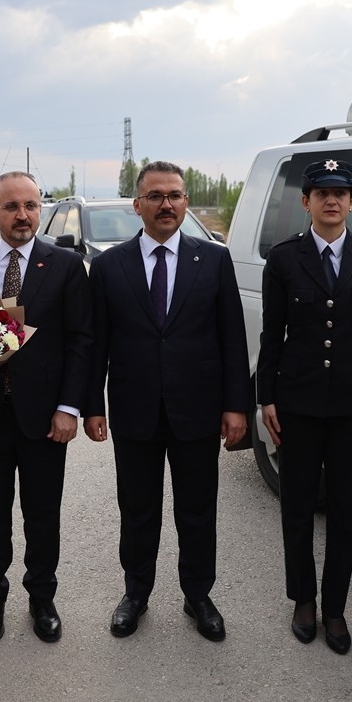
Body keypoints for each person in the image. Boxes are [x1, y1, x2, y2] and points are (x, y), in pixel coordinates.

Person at [84, 160, 250, 643]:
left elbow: (232, 339)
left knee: (197, 508)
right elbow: (97, 343)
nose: (166, 204)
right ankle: (135, 592)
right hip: (135, 410)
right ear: (138, 205)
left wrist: (235, 405)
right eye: (155, 196)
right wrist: (93, 405)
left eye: (175, 195)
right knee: (137, 509)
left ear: (185, 204)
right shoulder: (111, 265)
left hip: (197, 409)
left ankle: (198, 594)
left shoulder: (214, 260)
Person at [257, 159, 352, 655]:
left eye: (340, 193)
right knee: (297, 507)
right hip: (297, 404)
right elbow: (271, 335)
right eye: (322, 193)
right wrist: (266, 397)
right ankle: (302, 598)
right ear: (307, 202)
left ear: (351, 201)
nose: (332, 201)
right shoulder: (284, 258)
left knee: (346, 511)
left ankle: (334, 607)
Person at [0, 171, 92, 644]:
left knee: (42, 514)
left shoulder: (66, 265)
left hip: (44, 417)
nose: (22, 216)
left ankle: (42, 598)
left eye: (30, 206)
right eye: (11, 207)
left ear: (40, 209)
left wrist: (70, 408)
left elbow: (80, 341)